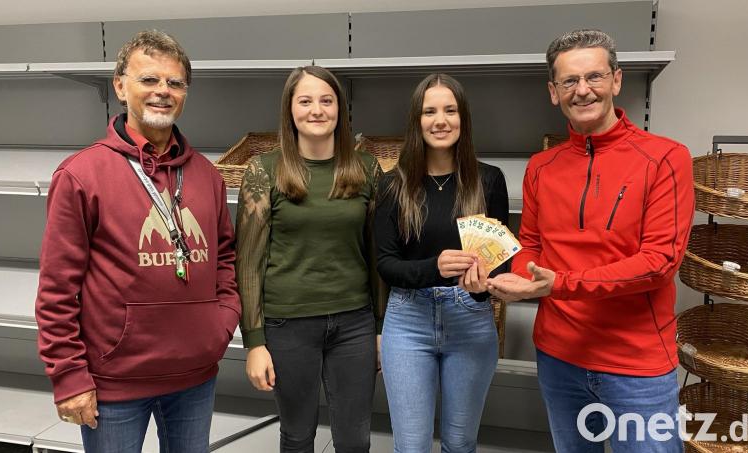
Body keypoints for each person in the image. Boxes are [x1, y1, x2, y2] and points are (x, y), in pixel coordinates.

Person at [486, 29, 694, 452]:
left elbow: (659, 262)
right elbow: (531, 244)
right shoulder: (542, 167)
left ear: (616, 81)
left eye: (594, 77)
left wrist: (559, 284)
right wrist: (513, 275)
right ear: (553, 91)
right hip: (559, 357)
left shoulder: (666, 158)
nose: (583, 91)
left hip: (636, 364)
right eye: (569, 81)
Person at [34, 30, 241, 452]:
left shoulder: (206, 174)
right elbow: (57, 289)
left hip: (195, 377)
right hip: (114, 382)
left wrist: (220, 325)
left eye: (175, 83)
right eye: (149, 79)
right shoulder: (81, 174)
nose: (163, 92)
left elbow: (224, 259)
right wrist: (69, 376)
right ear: (120, 84)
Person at [236, 65, 383, 453]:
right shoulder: (263, 170)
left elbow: (377, 255)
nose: (316, 110)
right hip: (288, 325)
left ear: (340, 109)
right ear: (290, 109)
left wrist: (382, 328)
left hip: (355, 323)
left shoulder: (367, 168)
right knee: (298, 435)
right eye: (305, 101)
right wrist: (254, 342)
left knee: (355, 440)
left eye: (326, 100)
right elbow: (248, 263)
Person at [374, 73, 509, 452]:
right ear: (416, 121)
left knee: (460, 442)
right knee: (411, 444)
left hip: (470, 321)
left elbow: (501, 265)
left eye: (450, 110)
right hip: (407, 321)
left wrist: (484, 288)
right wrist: (434, 267)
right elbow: (386, 264)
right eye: (429, 111)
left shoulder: (489, 181)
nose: (440, 120)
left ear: (463, 119)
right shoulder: (393, 185)